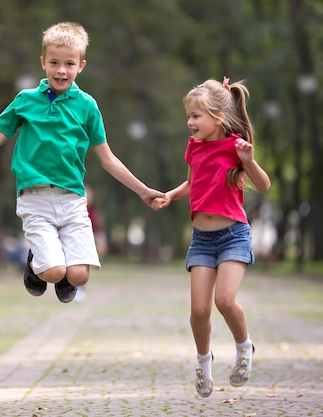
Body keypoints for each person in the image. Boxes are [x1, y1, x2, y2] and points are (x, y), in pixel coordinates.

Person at [0, 22, 164, 303]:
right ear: (43, 62)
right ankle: (36, 265)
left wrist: (144, 191)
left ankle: (49, 263)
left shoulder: (88, 106)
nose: (61, 70)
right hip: (35, 199)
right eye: (54, 62)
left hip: (72, 201)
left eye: (69, 63)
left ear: (81, 65)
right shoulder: (25, 101)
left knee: (79, 276)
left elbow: (108, 159)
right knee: (55, 272)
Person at [153, 77, 271, 397]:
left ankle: (244, 348)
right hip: (202, 240)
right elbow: (192, 184)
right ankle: (204, 364)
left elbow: (263, 185)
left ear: (217, 117)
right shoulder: (194, 147)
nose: (190, 123)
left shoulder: (236, 146)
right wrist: (169, 195)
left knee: (224, 300)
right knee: (199, 311)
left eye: (196, 116)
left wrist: (249, 162)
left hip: (233, 235)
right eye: (188, 117)